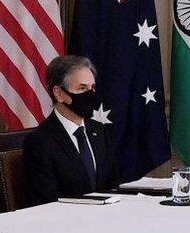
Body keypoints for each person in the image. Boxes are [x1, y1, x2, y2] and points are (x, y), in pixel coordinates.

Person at [22, 55, 120, 205]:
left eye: (92, 88)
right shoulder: (39, 141)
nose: (90, 95)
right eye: (82, 88)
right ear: (59, 93)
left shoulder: (99, 131)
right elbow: (45, 202)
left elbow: (112, 186)